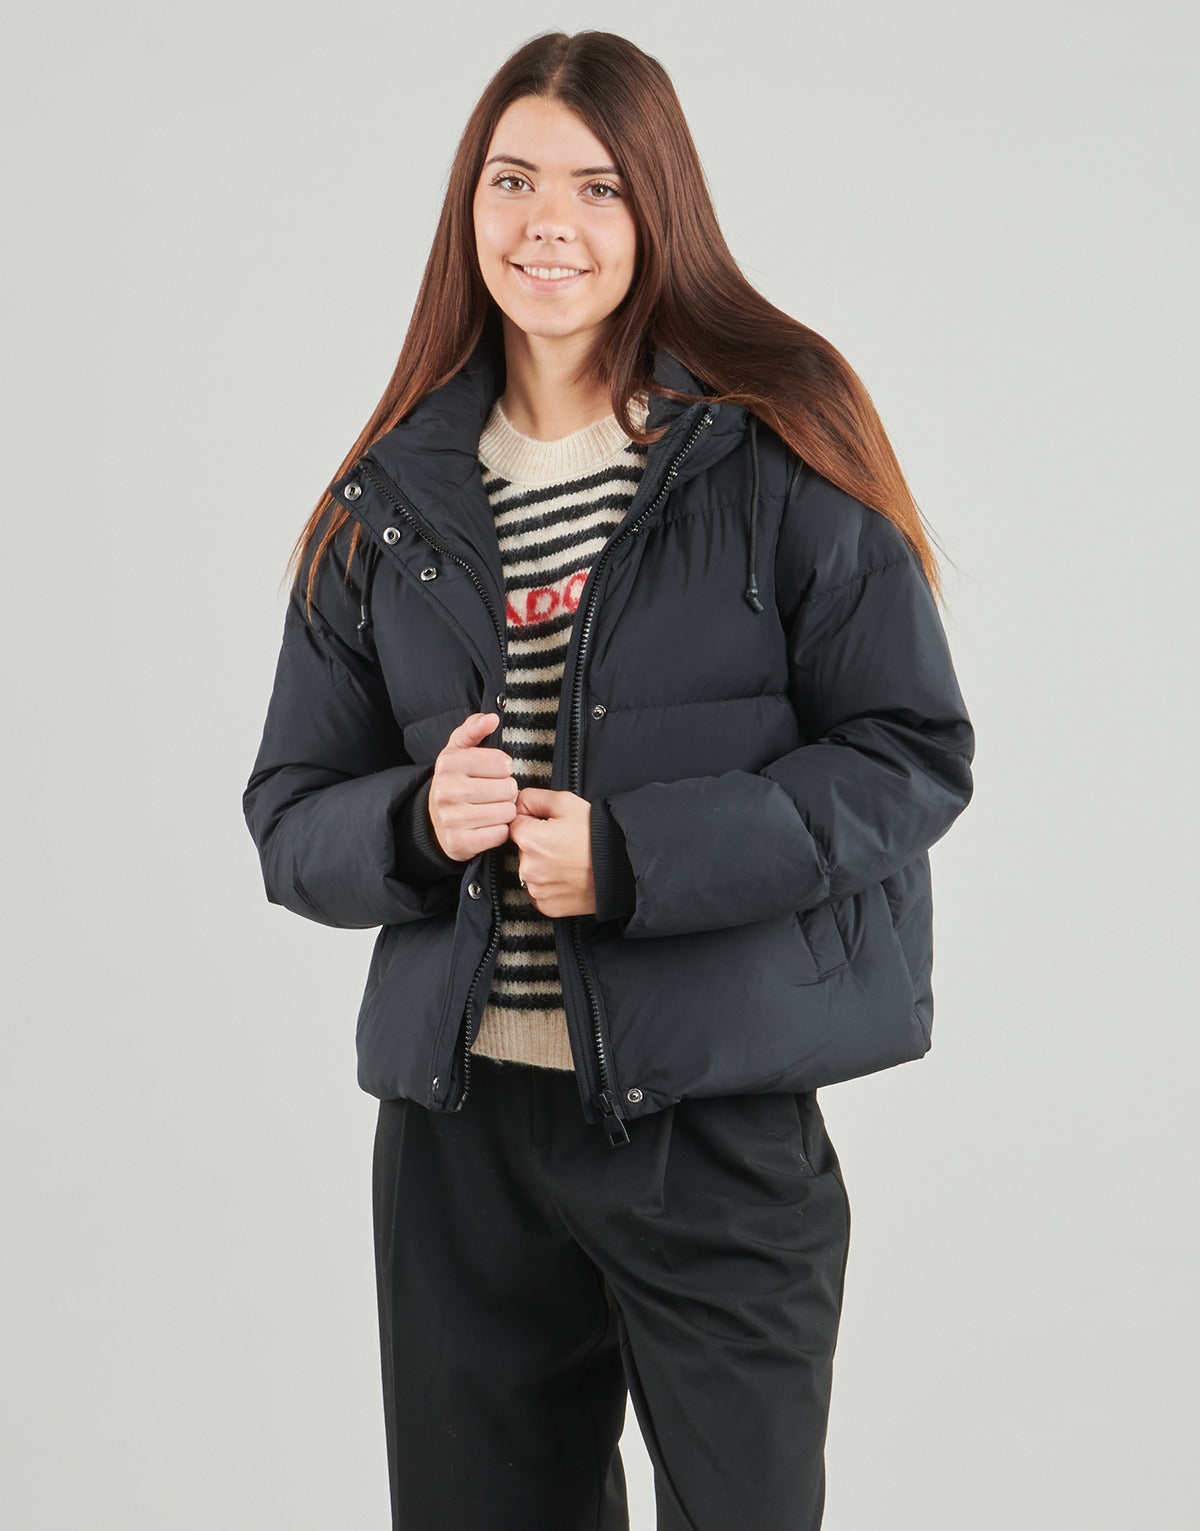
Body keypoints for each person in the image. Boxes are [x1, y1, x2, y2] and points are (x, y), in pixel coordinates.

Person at [242, 28, 975, 1531]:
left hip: (711, 1122)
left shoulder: (774, 446)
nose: (548, 225)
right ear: (468, 207)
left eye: (597, 186)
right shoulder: (386, 500)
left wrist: (636, 859)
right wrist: (409, 824)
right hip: (460, 1134)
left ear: (659, 210)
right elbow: (289, 812)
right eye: (511, 182)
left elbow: (911, 755)